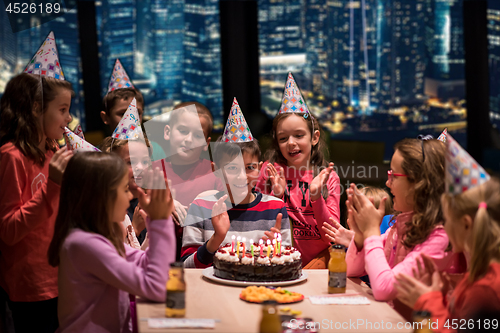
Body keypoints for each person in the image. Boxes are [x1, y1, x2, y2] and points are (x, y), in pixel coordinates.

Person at [47, 152, 175, 332]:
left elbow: (147, 264)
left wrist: (158, 220)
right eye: (124, 189)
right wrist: (161, 221)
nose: (130, 197)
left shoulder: (99, 238)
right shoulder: (84, 244)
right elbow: (157, 287)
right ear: (100, 196)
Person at [344, 138, 465, 319]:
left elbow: (384, 289)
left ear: (420, 184)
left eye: (394, 175)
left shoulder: (441, 237)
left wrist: (371, 232)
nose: (388, 182)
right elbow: (350, 270)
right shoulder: (400, 225)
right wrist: (361, 236)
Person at [395, 137, 500, 332]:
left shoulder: (485, 290)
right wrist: (441, 298)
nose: (445, 226)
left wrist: (428, 303)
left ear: (466, 225)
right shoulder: (477, 276)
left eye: (448, 219)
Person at [0, 72, 73, 332]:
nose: (69, 118)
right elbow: (8, 231)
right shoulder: (11, 157)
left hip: (62, 274)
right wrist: (52, 186)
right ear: (35, 109)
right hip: (31, 286)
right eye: (63, 109)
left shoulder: (54, 152)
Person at [181, 99, 291, 268]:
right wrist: (216, 239)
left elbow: (286, 265)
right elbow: (187, 267)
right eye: (232, 168)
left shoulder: (276, 209)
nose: (241, 176)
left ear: (260, 169)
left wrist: (274, 254)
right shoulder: (201, 206)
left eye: (250, 168)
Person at [256, 73, 340, 268]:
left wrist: (316, 196)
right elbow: (257, 221)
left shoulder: (328, 177)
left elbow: (332, 233)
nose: (291, 143)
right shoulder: (270, 172)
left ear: (315, 137)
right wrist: (275, 196)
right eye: (283, 138)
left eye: (299, 135)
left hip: (318, 263)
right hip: (276, 262)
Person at [155, 101, 223, 259]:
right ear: (167, 132)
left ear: (206, 143)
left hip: (203, 259)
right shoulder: (154, 170)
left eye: (198, 135)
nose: (189, 139)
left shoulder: (215, 172)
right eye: (183, 131)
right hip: (162, 258)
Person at [322, 186, 393, 247]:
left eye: (364, 214)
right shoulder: (345, 240)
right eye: (353, 212)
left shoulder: (391, 237)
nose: (355, 219)